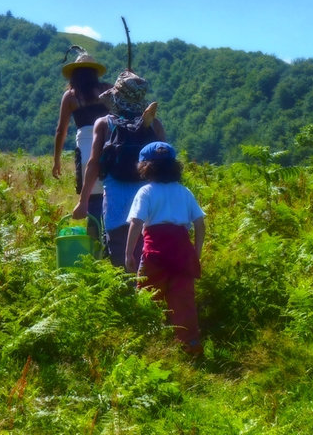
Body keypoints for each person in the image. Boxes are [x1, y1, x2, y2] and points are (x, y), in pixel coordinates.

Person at [73, 70, 165, 271]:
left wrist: (83, 202)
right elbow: (166, 166)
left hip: (116, 207)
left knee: (121, 264)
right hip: (149, 208)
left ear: (116, 98)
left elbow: (93, 164)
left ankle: (127, 299)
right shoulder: (155, 125)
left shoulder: (104, 123)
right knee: (147, 263)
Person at [125, 141, 205, 355]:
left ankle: (147, 344)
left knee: (148, 298)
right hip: (182, 251)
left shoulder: (146, 191)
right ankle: (191, 346)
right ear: (173, 166)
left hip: (155, 253)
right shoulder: (184, 191)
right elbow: (199, 223)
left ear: (145, 166)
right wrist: (196, 253)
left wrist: (129, 253)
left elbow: (136, 223)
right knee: (183, 301)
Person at [53, 46, 111, 247]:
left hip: (86, 150)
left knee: (91, 201)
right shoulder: (107, 90)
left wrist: (56, 161)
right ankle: (112, 246)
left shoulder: (71, 96)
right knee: (110, 197)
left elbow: (61, 130)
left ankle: (95, 248)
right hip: (109, 146)